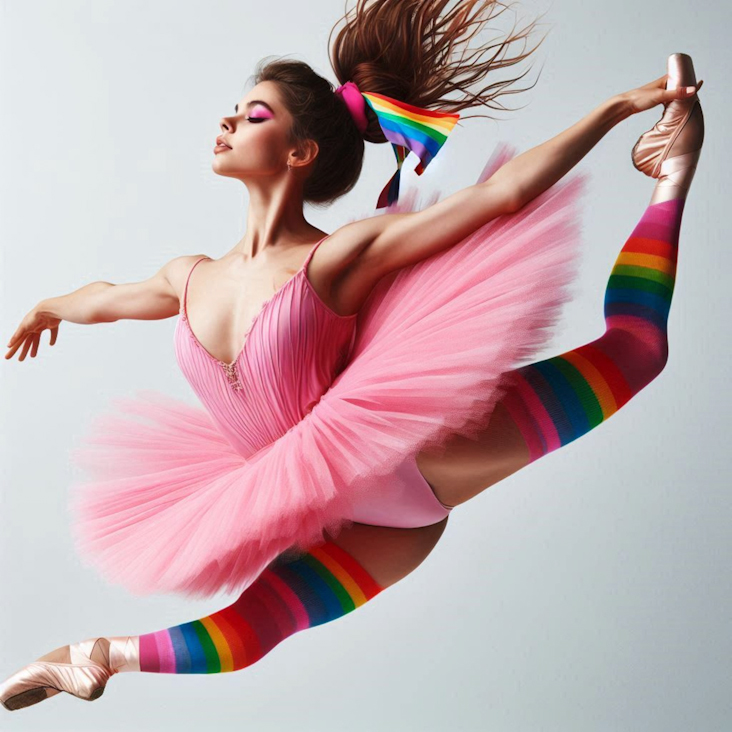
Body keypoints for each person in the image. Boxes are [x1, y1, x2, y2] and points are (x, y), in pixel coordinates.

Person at [1, 0, 703, 712]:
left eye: (253, 115)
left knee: (637, 352)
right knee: (251, 633)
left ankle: (670, 171)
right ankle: (97, 656)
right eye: (233, 110)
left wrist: (618, 105)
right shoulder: (188, 278)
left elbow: (503, 194)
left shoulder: (337, 259)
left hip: (407, 460)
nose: (226, 121)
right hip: (353, 516)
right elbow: (109, 296)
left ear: (300, 153)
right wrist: (51, 306)